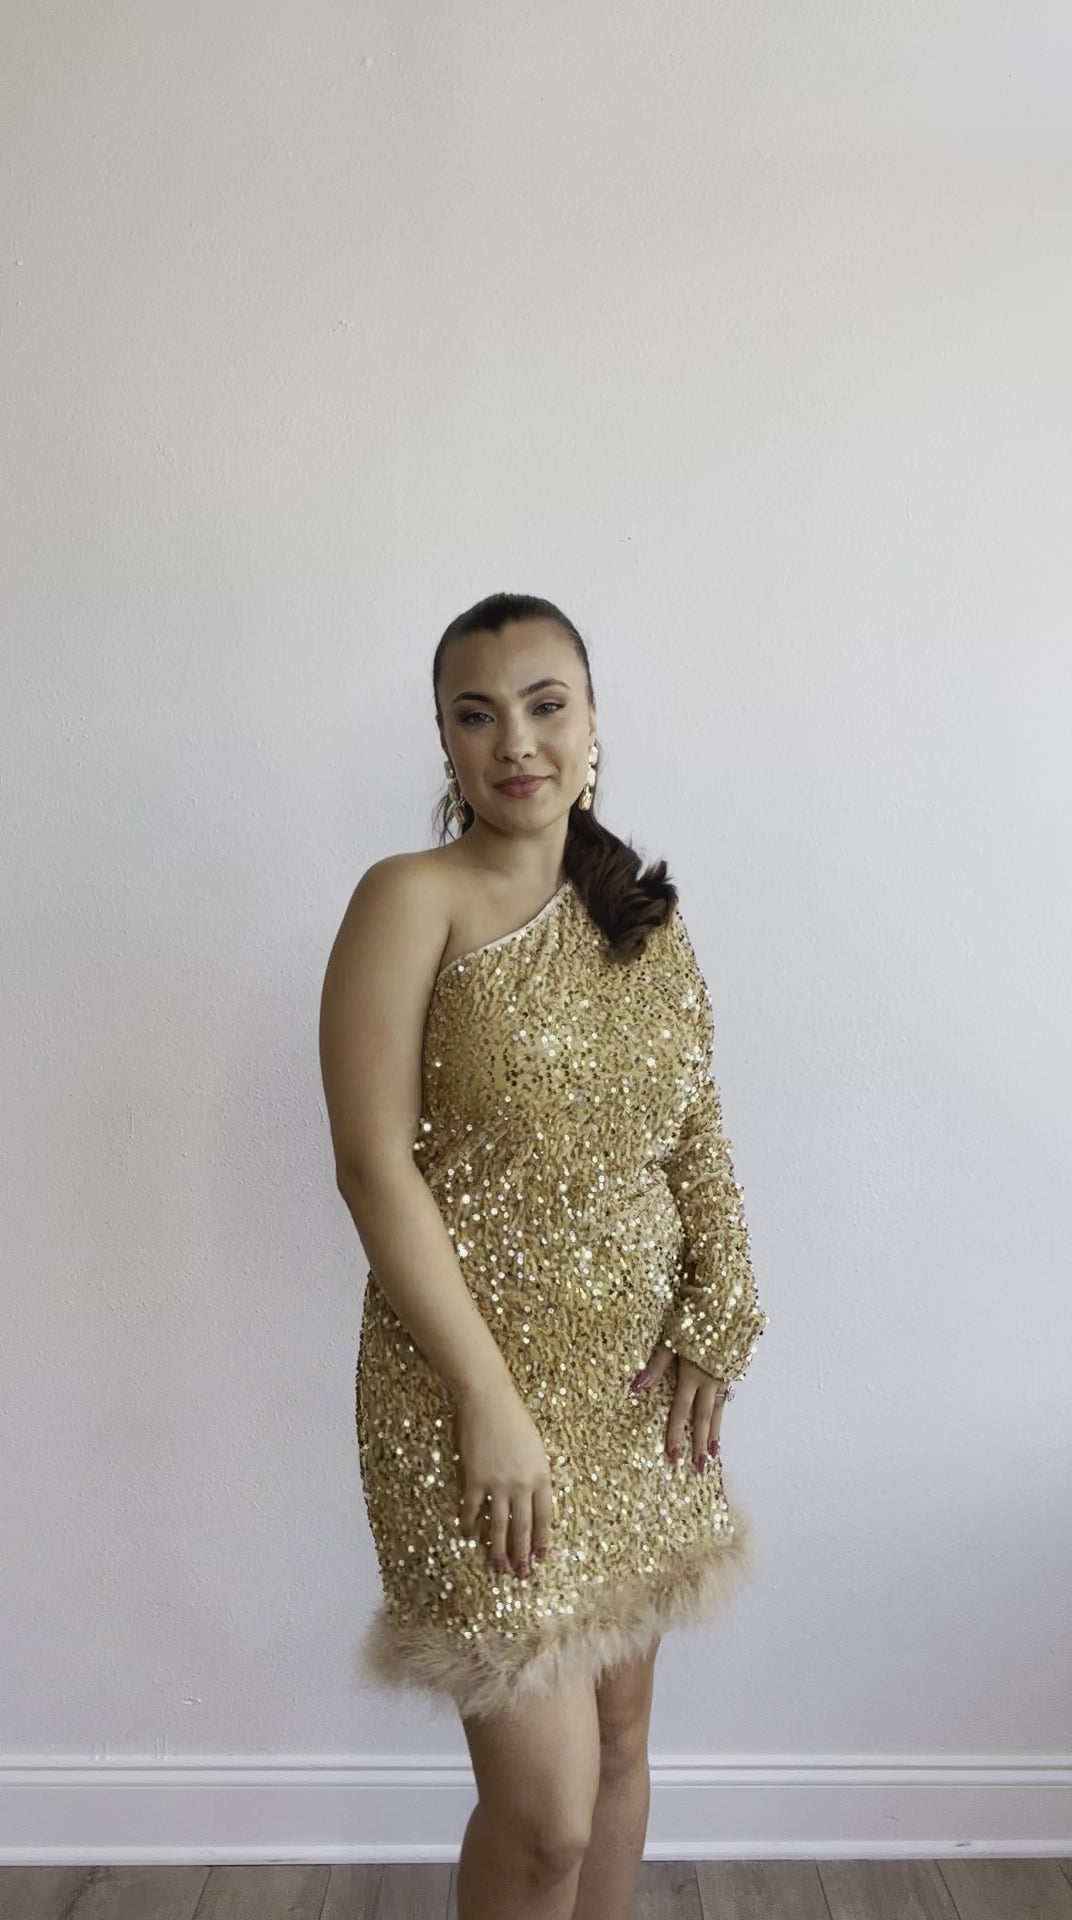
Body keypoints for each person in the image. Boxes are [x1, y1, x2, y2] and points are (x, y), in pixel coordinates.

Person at [319, 592, 768, 1920]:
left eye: (544, 705)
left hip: (632, 1397)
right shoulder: (409, 899)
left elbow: (693, 1130)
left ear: (592, 720)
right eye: (477, 715)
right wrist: (488, 1401)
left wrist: (725, 1308)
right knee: (545, 1819)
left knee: (620, 1750)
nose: (515, 741)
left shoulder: (637, 914)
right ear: (445, 743)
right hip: (465, 1398)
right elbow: (371, 1164)